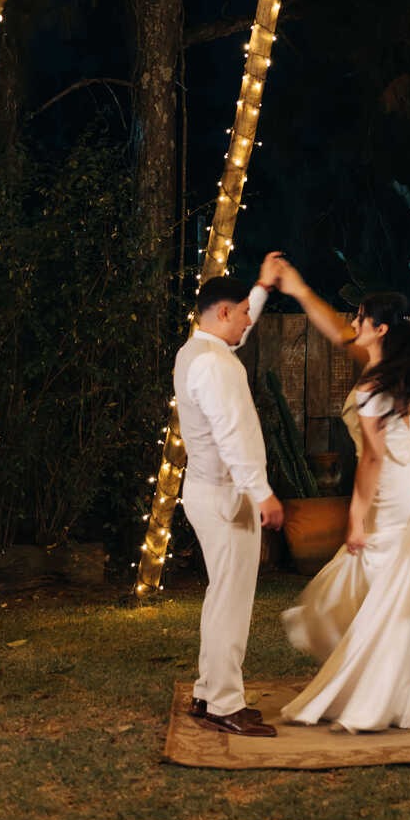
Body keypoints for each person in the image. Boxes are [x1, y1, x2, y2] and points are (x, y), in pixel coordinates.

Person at [275, 265, 410, 732]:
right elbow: (337, 331)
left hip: (392, 489)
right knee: (386, 585)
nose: (352, 324)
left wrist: (355, 516)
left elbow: (372, 459)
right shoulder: (385, 369)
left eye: (360, 318)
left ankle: (393, 686)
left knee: (383, 583)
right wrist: (297, 287)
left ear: (379, 329)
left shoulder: (376, 383)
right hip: (404, 483)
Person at [173, 256, 286, 737]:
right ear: (222, 314)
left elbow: (239, 326)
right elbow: (232, 436)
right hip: (225, 497)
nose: (247, 322)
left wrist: (259, 289)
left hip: (205, 492)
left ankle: (207, 693)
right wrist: (263, 494)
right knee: (231, 602)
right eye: (242, 313)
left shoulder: (196, 353)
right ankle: (223, 703)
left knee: (221, 598)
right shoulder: (217, 368)